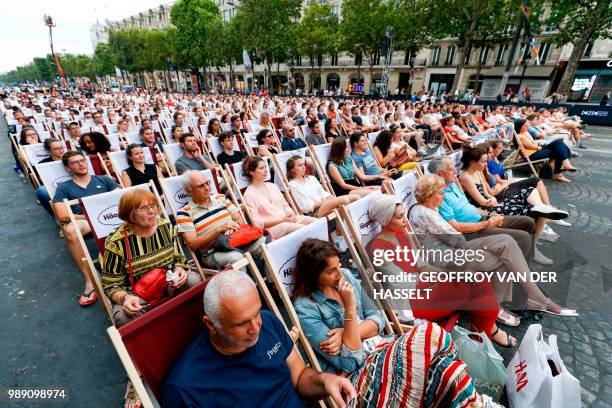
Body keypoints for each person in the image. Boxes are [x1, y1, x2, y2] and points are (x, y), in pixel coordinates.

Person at [292, 239, 502, 407]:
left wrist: (348, 332)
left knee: (443, 371)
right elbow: (349, 362)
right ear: (312, 275)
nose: (339, 274)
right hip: (359, 377)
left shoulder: (346, 275)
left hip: (384, 349)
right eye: (331, 271)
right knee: (431, 333)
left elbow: (379, 318)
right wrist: (349, 309)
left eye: (338, 266)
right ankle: (480, 404)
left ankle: (477, 404)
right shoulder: (306, 308)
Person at [162, 270, 356, 408]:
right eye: (241, 323)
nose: (256, 327)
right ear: (211, 325)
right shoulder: (184, 390)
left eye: (256, 313)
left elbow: (299, 378)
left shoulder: (268, 322)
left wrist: (326, 381)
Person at [409, 174, 577, 326]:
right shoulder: (425, 214)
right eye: (440, 193)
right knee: (505, 252)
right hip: (450, 258)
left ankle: (515, 301)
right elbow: (456, 239)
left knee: (506, 243)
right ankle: (509, 303)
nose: (444, 195)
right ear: (430, 194)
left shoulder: (427, 210)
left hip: (453, 251)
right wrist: (485, 232)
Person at [366, 194, 500, 338]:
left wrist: (450, 275)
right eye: (399, 217)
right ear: (385, 220)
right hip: (412, 302)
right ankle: (484, 333)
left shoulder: (399, 234)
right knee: (480, 288)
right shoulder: (377, 247)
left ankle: (482, 334)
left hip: (425, 288)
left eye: (404, 214)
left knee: (478, 281)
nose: (405, 220)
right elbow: (401, 284)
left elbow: (422, 266)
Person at [460, 143, 568, 242]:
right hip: (486, 209)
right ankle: (534, 243)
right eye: (483, 161)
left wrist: (492, 197)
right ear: (473, 163)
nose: (486, 164)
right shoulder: (466, 177)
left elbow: (487, 193)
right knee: (532, 209)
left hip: (493, 202)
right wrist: (493, 198)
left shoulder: (477, 172)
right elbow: (482, 202)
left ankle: (543, 209)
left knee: (530, 192)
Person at [53, 151, 118, 306]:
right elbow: (62, 216)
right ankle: (90, 280)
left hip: (111, 215)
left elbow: (121, 199)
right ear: (68, 168)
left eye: (82, 160)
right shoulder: (64, 187)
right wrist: (90, 216)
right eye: (75, 162)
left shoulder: (104, 180)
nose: (81, 164)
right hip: (85, 221)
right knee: (70, 230)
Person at [176, 170, 266, 270]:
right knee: (236, 258)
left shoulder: (221, 198)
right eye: (201, 186)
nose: (207, 188)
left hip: (235, 241)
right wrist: (219, 230)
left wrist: (233, 226)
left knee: (264, 243)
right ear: (188, 191)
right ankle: (244, 285)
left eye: (207, 183)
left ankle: (273, 284)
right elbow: (192, 244)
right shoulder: (184, 213)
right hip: (212, 252)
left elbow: (240, 220)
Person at [242, 156, 316, 240]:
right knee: (306, 230)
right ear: (252, 172)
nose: (266, 170)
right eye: (261, 168)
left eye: (265, 167)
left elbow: (285, 205)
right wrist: (281, 220)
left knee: (316, 222)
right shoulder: (249, 195)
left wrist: (289, 212)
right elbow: (257, 223)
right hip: (271, 229)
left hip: (286, 220)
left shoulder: (272, 186)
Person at [287, 155, 359, 216]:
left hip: (326, 203)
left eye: (304, 164)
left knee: (356, 197)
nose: (303, 167)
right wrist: (326, 202)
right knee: (344, 200)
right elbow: (306, 207)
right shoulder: (293, 184)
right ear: (292, 169)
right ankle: (340, 229)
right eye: (300, 165)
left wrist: (329, 197)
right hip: (314, 212)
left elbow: (323, 193)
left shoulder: (312, 178)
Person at [514, 119, 576, 183]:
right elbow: (532, 146)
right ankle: (561, 169)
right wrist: (539, 146)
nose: (528, 127)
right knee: (559, 148)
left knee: (559, 143)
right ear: (519, 127)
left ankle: (563, 166)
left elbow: (532, 144)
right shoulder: (520, 136)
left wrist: (539, 144)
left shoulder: (523, 133)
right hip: (532, 155)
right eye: (525, 126)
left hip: (534, 152)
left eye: (528, 125)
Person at [36, 138, 65, 218]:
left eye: (61, 147)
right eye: (56, 149)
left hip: (72, 184)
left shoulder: (69, 158)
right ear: (48, 150)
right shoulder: (43, 164)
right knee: (42, 191)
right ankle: (59, 218)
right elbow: (43, 180)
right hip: (55, 186)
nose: (61, 150)